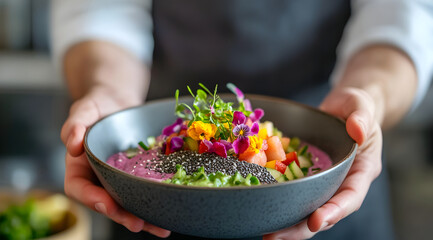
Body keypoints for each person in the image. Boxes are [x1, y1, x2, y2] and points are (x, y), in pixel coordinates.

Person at [51, 0, 433, 239]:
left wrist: (371, 98)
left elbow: (403, 13)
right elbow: (99, 10)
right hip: (153, 206)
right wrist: (108, 93)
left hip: (326, 184)